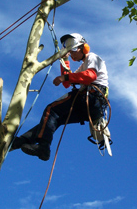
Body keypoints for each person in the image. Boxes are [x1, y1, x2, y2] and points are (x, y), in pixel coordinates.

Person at [10, 33, 109, 161]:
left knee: (51, 110)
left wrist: (64, 77)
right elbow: (68, 83)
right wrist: (65, 61)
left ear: (83, 48)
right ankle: (23, 140)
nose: (72, 54)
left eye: (73, 51)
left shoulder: (93, 58)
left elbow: (90, 76)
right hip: (91, 105)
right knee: (56, 119)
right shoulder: (83, 66)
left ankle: (43, 146)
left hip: (92, 97)